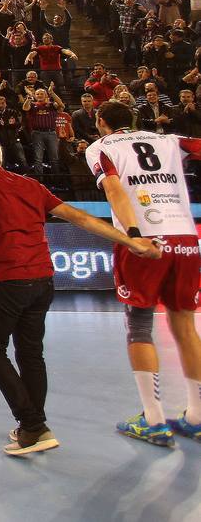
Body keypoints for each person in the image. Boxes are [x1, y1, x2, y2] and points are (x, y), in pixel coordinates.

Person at [0, 136, 160, 456]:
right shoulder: (30, 185)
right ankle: (33, 428)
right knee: (30, 354)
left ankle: (33, 423)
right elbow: (80, 217)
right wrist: (130, 241)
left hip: (7, 278)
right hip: (43, 279)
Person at [85, 100, 201, 447]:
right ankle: (196, 416)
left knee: (139, 326)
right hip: (185, 237)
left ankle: (153, 419)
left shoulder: (101, 147)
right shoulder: (169, 140)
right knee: (184, 324)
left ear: (101, 122)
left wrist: (133, 234)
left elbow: (115, 188)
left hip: (144, 238)